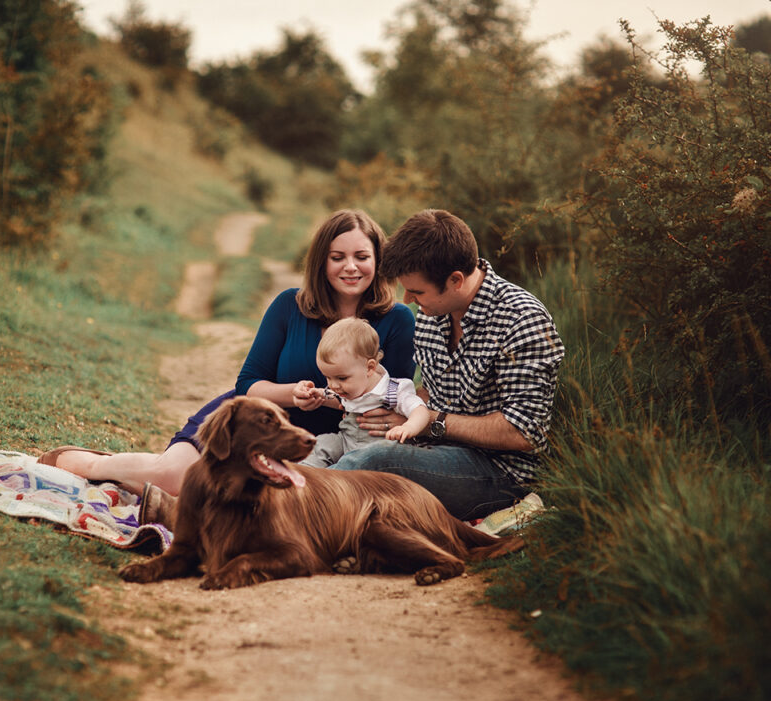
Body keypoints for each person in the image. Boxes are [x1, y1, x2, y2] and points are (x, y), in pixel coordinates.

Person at [37, 209, 416, 516]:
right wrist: (294, 396)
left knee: (249, 505)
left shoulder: (397, 320)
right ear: (322, 262)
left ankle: (161, 495)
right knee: (174, 476)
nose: (350, 267)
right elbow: (249, 382)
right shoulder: (290, 305)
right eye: (338, 257)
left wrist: (399, 420)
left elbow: (397, 393)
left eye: (361, 257)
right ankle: (93, 466)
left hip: (331, 448)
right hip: (254, 422)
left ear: (378, 262)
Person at [332, 209, 564, 522]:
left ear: (455, 280)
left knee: (376, 461)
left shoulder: (521, 320)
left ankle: (289, 511)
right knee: (341, 448)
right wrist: (399, 410)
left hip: (501, 473)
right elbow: (433, 391)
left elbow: (524, 432)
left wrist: (431, 420)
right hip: (436, 452)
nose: (408, 299)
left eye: (417, 291)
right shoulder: (431, 314)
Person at [295, 317, 430, 467]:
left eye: (341, 378)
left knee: (362, 460)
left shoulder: (393, 390)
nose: (333, 385)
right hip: (347, 439)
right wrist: (317, 394)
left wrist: (409, 427)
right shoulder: (349, 387)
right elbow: (332, 396)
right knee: (323, 443)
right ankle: (305, 471)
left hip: (378, 450)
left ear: (370, 368)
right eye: (327, 377)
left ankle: (330, 479)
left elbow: (420, 410)